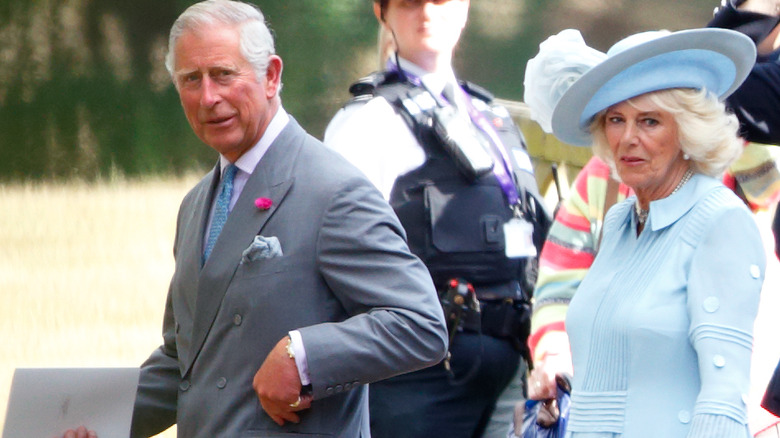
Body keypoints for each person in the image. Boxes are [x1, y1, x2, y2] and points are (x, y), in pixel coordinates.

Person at [62, 1, 451, 437]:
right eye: (191, 79)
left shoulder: (332, 190)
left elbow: (420, 324)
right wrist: (92, 423)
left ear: (271, 76)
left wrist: (302, 355)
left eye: (224, 74)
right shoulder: (195, 206)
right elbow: (188, 363)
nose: (209, 97)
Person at [324, 0, 550, 437]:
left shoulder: (491, 115)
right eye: (409, 2)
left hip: (509, 371)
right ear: (381, 12)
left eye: (440, 0)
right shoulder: (367, 122)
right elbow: (328, 255)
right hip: (418, 376)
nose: (426, 12)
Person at [525, 27, 765, 437]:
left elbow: (723, 399)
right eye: (616, 119)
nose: (628, 138)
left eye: (649, 121)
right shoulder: (621, 220)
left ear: (688, 131)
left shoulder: (719, 220)